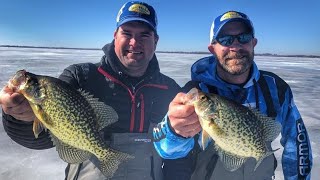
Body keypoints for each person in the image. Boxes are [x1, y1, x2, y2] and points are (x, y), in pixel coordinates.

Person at [0, 1, 189, 180]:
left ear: (155, 41)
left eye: (144, 35)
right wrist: (21, 117)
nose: (134, 42)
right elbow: (44, 138)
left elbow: (179, 155)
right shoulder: (80, 76)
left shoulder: (170, 90)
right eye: (127, 33)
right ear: (115, 36)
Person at [153, 11, 313, 180]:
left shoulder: (275, 88)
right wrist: (174, 132)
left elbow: (297, 143)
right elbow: (166, 150)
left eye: (243, 38)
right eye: (226, 40)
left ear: (253, 43)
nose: (235, 47)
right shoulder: (195, 91)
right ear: (212, 49)